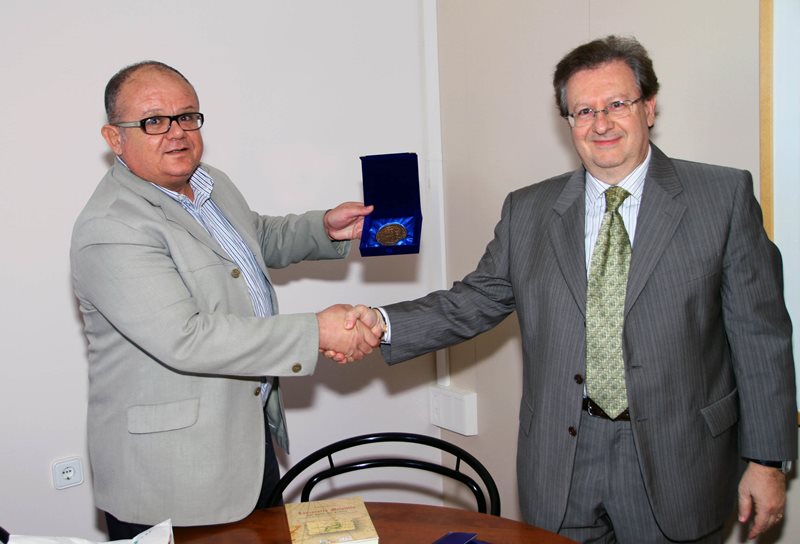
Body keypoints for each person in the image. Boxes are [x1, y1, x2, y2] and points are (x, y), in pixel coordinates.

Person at [342, 36, 796, 542]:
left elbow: (761, 338)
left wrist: (767, 461)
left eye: (616, 104)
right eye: (584, 111)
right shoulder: (528, 211)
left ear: (648, 108)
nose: (601, 123)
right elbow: (474, 300)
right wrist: (381, 323)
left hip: (679, 460)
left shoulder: (722, 198)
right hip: (562, 459)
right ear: (569, 122)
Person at [70, 60, 378, 538]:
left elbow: (254, 237)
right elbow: (187, 337)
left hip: (245, 440)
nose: (176, 132)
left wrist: (323, 228)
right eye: (154, 121)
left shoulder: (208, 182)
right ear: (115, 138)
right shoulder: (112, 227)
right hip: (173, 475)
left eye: (186, 116)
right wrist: (316, 331)